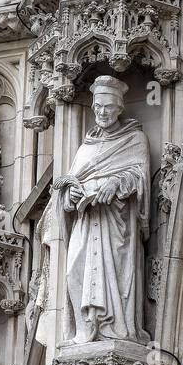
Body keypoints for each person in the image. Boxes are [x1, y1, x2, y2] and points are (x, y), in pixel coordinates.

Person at [56, 76, 150, 343]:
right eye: (97, 107)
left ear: (119, 108)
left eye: (108, 107)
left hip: (115, 221)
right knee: (74, 268)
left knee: (114, 273)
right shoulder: (85, 148)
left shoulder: (135, 139)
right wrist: (71, 196)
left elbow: (140, 177)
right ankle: (85, 329)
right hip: (86, 220)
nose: (102, 112)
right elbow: (68, 186)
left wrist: (117, 183)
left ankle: (115, 329)